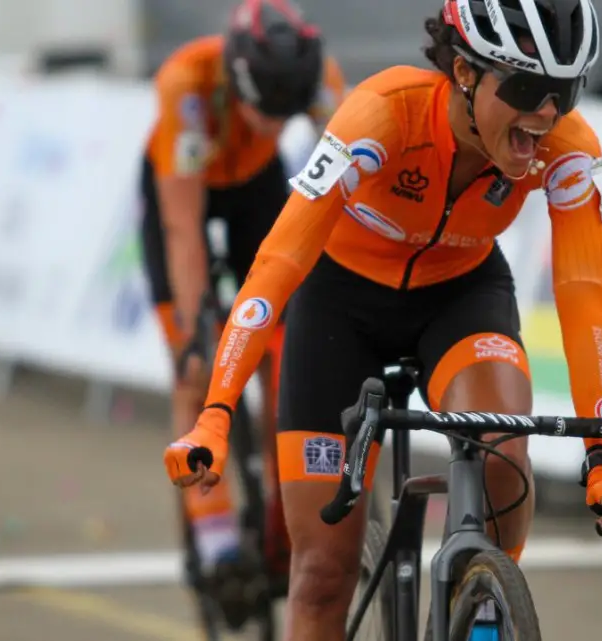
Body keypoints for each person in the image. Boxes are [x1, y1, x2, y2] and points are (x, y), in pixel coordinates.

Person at [163, 0, 602, 639]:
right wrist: (217, 409)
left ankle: (477, 605)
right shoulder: (383, 114)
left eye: (565, 91)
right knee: (320, 575)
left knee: (504, 457)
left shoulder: (566, 149)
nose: (546, 114)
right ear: (463, 71)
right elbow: (278, 263)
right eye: (527, 87)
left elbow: (583, 292)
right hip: (340, 308)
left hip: (461, 297)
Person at [140, 0, 345, 624]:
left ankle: (284, 506)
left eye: (284, 118)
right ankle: (217, 541)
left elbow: (359, 166)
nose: (272, 125)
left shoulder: (318, 81)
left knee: (283, 348)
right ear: (236, 82)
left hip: (258, 187)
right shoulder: (187, 84)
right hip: (181, 193)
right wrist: (199, 323)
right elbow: (183, 230)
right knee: (197, 366)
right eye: (264, 113)